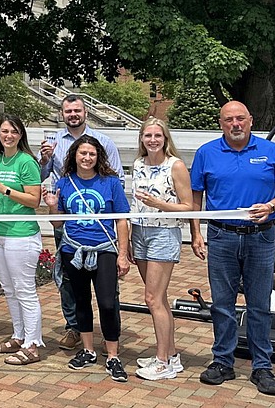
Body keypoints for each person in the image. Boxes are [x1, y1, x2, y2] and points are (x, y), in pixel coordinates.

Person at [190, 101, 275, 396]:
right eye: (228, 120)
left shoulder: (270, 151)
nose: (235, 124)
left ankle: (262, 366)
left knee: (259, 305)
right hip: (222, 238)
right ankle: (223, 362)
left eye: (240, 119)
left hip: (261, 237)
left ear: (250, 120)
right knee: (222, 304)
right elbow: (195, 197)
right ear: (221, 123)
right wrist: (195, 233)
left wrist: (272, 205)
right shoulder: (206, 153)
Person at [37, 94, 124, 350]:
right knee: (69, 280)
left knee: (107, 291)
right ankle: (74, 327)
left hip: (99, 227)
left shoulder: (103, 141)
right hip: (65, 217)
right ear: (62, 114)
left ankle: (111, 333)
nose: (72, 114)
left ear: (85, 112)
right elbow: (40, 175)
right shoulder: (53, 143)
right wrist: (44, 160)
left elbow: (116, 179)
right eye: (68, 111)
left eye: (77, 110)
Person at [43, 135, 131, 382]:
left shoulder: (111, 183)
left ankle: (112, 355)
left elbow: (122, 220)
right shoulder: (65, 182)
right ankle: (88, 349)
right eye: (82, 153)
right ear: (74, 155)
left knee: (107, 302)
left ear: (98, 156)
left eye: (91, 154)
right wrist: (52, 205)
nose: (87, 158)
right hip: (74, 250)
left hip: (104, 249)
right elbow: (58, 222)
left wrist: (122, 255)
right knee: (81, 300)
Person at [129, 117, 193, 381]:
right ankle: (172, 354)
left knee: (152, 299)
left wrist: (159, 203)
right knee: (160, 298)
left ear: (166, 139)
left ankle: (162, 361)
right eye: (148, 136)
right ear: (142, 139)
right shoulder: (138, 164)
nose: (152, 140)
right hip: (140, 232)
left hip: (164, 233)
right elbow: (134, 205)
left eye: (158, 136)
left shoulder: (175, 166)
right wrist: (131, 237)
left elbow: (189, 206)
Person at [0, 115, 43, 365]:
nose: (8, 135)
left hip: (21, 234)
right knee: (9, 289)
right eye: (4, 131)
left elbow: (34, 200)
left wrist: (5, 188)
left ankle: (33, 344)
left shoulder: (27, 162)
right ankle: (19, 335)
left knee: (25, 291)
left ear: (20, 135)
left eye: (13, 132)